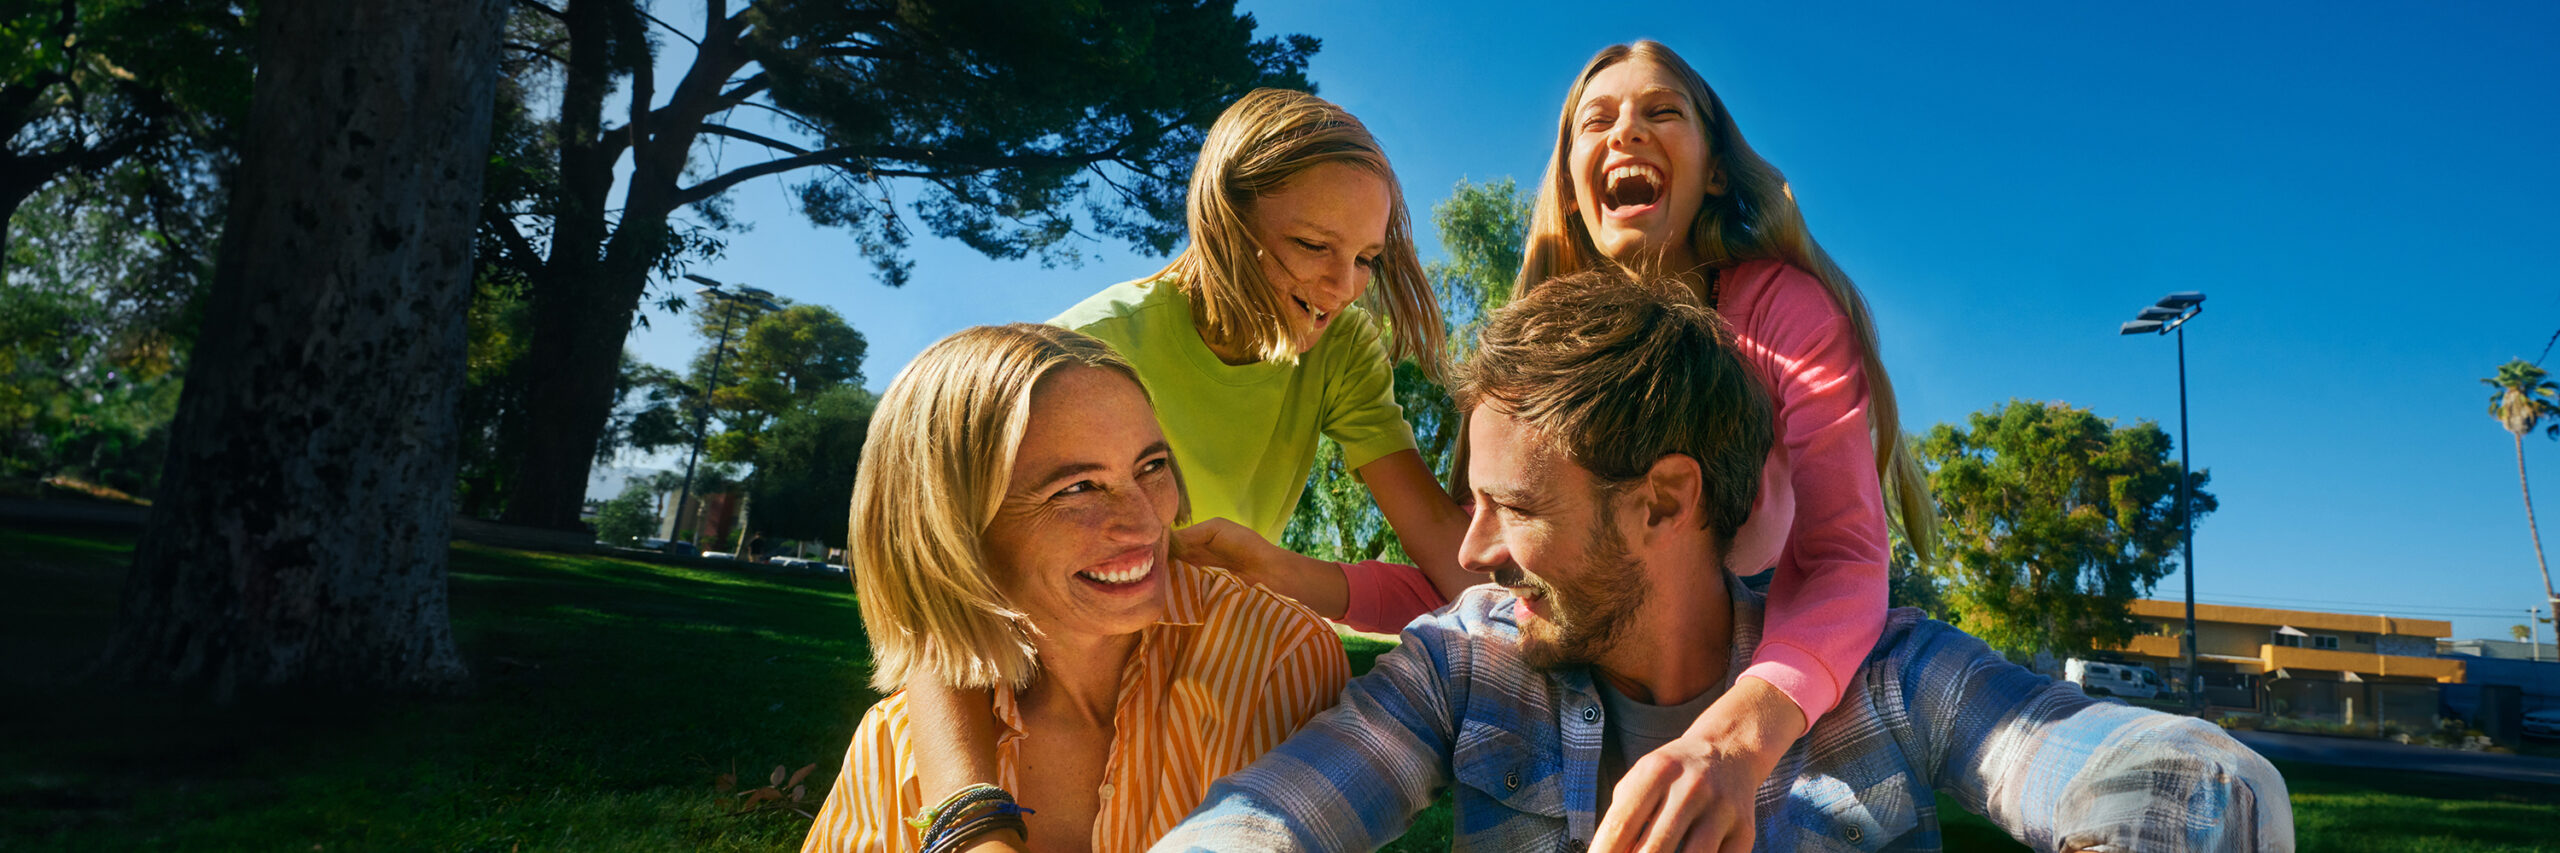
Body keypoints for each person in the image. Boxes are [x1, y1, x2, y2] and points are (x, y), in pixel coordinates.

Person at [1152, 272, 2292, 852]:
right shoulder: (1467, 664)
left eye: (1510, 506)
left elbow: (2206, 791)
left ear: (1665, 499)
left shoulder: (1885, 682)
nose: (1471, 549)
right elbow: (1268, 821)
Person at [1180, 40, 1933, 849]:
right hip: (1591, 678)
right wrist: (1288, 573)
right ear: (1572, 184)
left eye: (1662, 112)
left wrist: (1737, 739)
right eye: (1596, 120)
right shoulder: (1550, 342)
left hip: (1766, 688)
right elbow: (1501, 571)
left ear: (1716, 169)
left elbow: (1846, 556)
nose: (1627, 132)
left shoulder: (1783, 312)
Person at [894, 87, 1483, 820]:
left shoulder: (1341, 347)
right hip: (1055, 672)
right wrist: (969, 813)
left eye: (1366, 257)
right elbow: (942, 584)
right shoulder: (1092, 351)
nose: (1343, 287)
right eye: (1311, 246)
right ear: (1224, 218)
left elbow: (1453, 557)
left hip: (1209, 662)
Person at [801, 324, 1349, 853]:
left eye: (1152, 467)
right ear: (953, 529)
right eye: (1078, 488)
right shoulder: (897, 744)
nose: (1145, 524)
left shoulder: (1273, 658)